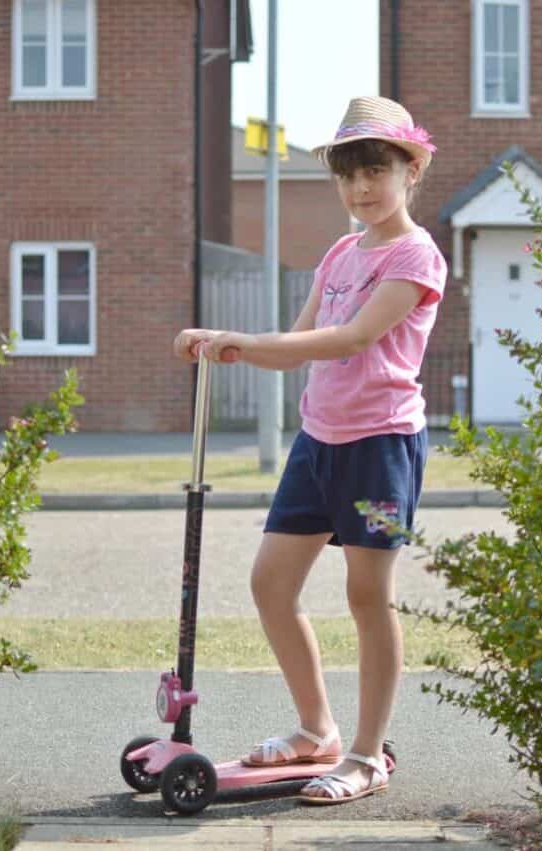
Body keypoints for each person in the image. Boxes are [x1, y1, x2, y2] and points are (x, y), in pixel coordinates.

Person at [172, 95, 446, 805]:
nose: (362, 188)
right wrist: (220, 344)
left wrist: (249, 341)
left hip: (381, 444)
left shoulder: (417, 255)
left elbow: (352, 338)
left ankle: (365, 753)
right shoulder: (338, 253)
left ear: (410, 169)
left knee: (367, 596)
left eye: (376, 170)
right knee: (271, 583)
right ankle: (316, 727)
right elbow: (299, 347)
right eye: (348, 174)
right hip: (319, 441)